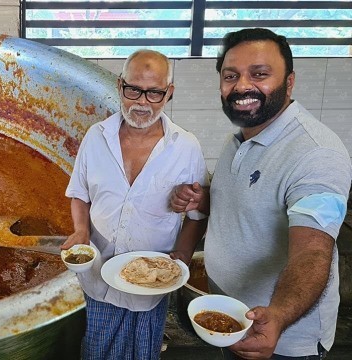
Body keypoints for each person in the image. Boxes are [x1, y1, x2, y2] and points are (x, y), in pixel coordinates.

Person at [171, 28, 352, 359]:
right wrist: (203, 200)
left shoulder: (315, 152)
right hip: (232, 317)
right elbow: (247, 203)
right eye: (231, 75)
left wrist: (279, 316)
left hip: (279, 337)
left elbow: (312, 252)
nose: (241, 86)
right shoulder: (237, 140)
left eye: (260, 74)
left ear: (290, 82)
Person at [62, 49, 209, 359]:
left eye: (154, 93)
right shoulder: (95, 137)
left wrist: (181, 255)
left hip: (152, 284)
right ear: (120, 86)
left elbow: (198, 215)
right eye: (134, 90)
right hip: (99, 275)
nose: (143, 102)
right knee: (96, 350)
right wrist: (80, 231)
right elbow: (80, 193)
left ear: (169, 93)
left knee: (143, 352)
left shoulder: (186, 147)